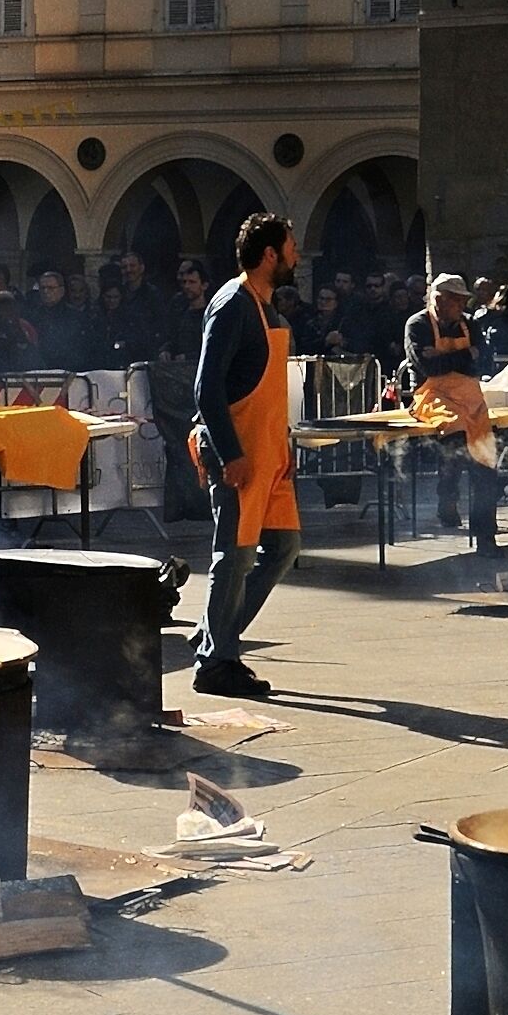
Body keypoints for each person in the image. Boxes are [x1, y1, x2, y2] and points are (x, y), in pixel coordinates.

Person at [188, 213, 302, 699]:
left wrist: (282, 448)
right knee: (233, 557)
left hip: (269, 457)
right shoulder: (232, 304)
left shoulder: (266, 308)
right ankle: (217, 663)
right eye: (291, 247)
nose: (297, 255)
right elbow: (206, 388)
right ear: (270, 254)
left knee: (284, 547)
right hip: (239, 457)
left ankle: (215, 634)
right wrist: (230, 453)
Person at [405, 274, 500, 557]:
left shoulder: (470, 323)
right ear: (438, 299)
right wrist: (467, 355)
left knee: (487, 466)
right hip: (432, 396)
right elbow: (427, 368)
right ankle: (447, 497)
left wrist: (445, 358)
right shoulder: (418, 325)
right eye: (456, 300)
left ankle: (486, 539)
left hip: (471, 398)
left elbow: (486, 361)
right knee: (455, 441)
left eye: (462, 300)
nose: (462, 305)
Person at [26, 269, 94, 371]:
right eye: (43, 288)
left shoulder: (76, 318)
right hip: (39, 370)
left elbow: (82, 349)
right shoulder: (32, 316)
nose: (46, 292)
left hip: (68, 370)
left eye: (50, 288)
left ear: (61, 291)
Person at [109, 251, 167, 365]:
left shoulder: (153, 294)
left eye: (132, 266)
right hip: (123, 355)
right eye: (124, 267)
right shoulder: (119, 293)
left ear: (141, 268)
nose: (128, 270)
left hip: (146, 353)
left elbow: (161, 323)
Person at [163, 259, 209, 361]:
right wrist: (166, 350)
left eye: (192, 282)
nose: (187, 286)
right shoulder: (178, 311)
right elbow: (171, 338)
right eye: (184, 282)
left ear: (204, 285)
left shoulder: (210, 315)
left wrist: (188, 357)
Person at [297, 286, 350, 358]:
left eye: (328, 299)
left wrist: (342, 342)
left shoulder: (345, 321)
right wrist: (325, 341)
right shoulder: (307, 320)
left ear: (336, 302)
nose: (323, 302)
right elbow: (302, 346)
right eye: (321, 298)